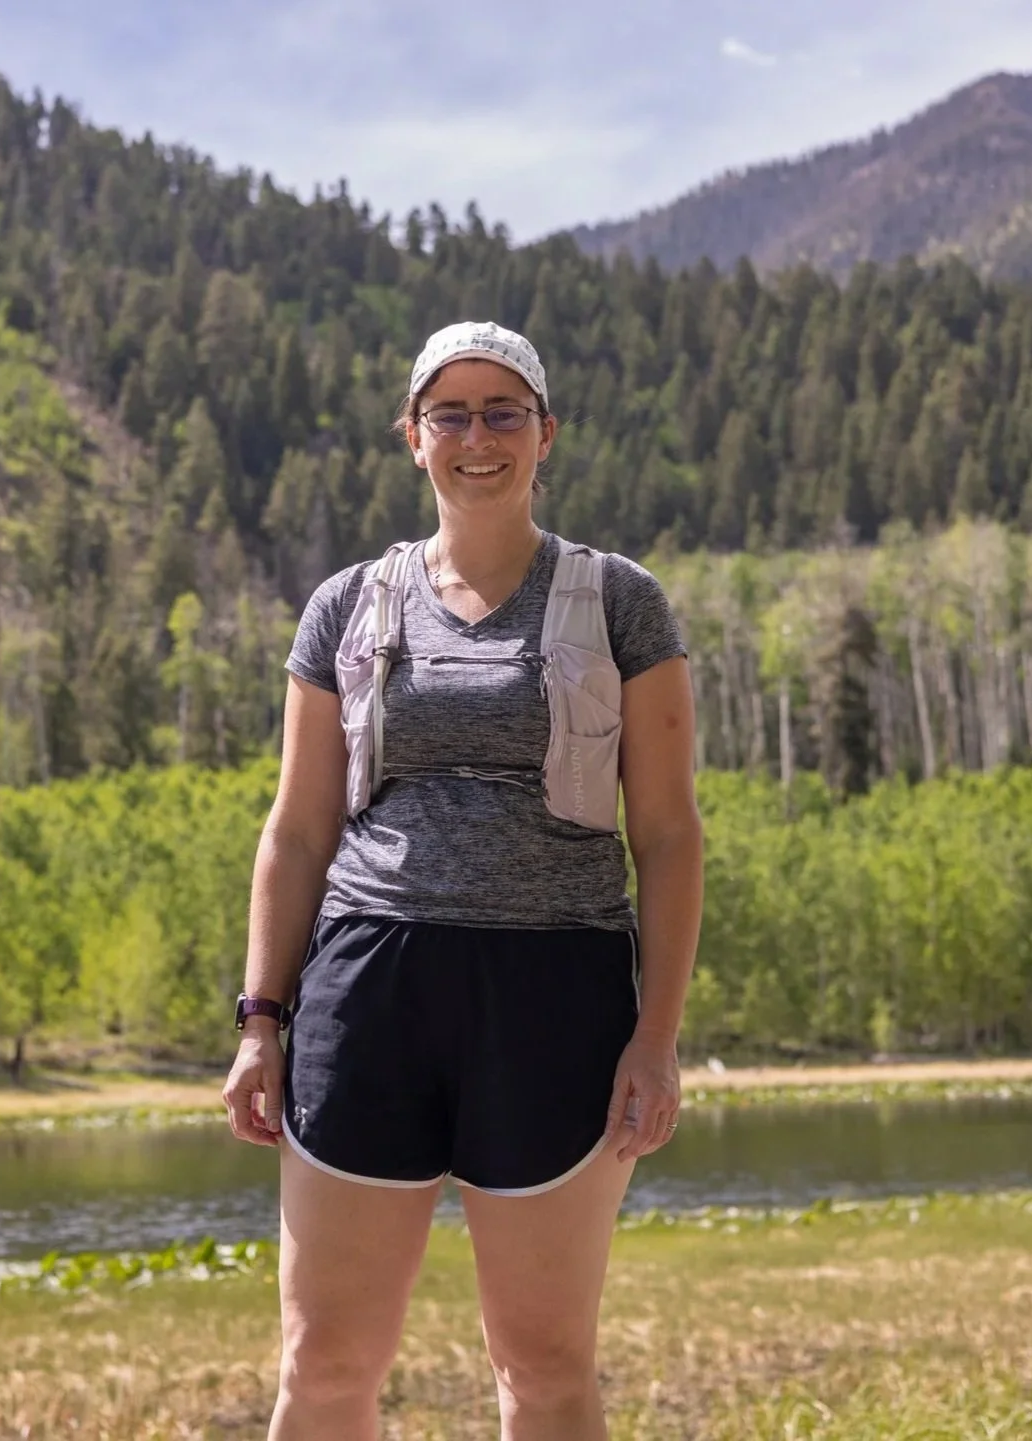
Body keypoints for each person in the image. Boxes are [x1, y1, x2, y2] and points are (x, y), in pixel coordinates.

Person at [222, 320, 705, 1441]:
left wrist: (657, 1035)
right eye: (451, 413)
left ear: (545, 435)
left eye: (502, 412)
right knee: (325, 1359)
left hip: (556, 994)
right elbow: (295, 833)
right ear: (411, 436)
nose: (476, 436)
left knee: (541, 1365)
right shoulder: (346, 605)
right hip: (368, 987)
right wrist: (259, 1019)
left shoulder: (618, 601)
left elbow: (670, 836)